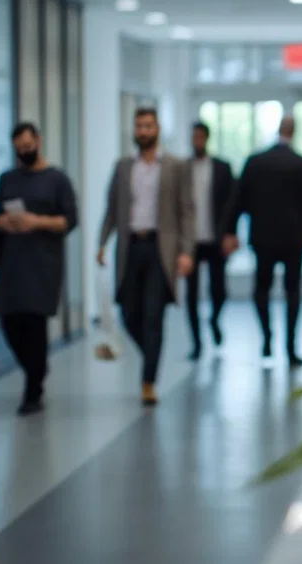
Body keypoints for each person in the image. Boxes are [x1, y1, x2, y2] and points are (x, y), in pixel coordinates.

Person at [97, 107, 195, 406]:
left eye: (148, 126)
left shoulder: (176, 166)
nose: (143, 131)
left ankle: (148, 381)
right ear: (134, 130)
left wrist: (186, 252)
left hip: (160, 249)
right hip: (130, 247)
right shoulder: (123, 167)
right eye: (139, 126)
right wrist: (102, 243)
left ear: (158, 129)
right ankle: (150, 355)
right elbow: (112, 208)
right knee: (129, 314)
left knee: (154, 315)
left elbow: (186, 212)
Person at [0, 122, 79, 415]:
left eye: (28, 146)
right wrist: (3, 222)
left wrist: (37, 222)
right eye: (19, 148)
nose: (24, 152)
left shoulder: (57, 180)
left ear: (38, 141)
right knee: (8, 320)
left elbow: (70, 220)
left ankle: (33, 391)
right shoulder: (7, 179)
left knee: (34, 323)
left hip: (43, 263)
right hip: (12, 262)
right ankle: (36, 368)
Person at [223, 115, 302, 366]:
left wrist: (231, 231)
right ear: (294, 132)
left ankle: (267, 338)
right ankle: (290, 348)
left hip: (263, 238)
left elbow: (238, 200)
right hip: (293, 240)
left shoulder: (255, 162)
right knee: (293, 291)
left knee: (261, 290)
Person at [185, 121, 234, 360]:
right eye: (193, 137)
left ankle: (214, 321)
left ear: (207, 138)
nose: (197, 141)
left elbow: (231, 204)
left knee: (219, 290)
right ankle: (196, 343)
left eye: (200, 137)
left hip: (215, 238)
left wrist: (230, 234)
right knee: (191, 294)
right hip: (190, 241)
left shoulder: (222, 168)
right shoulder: (183, 169)